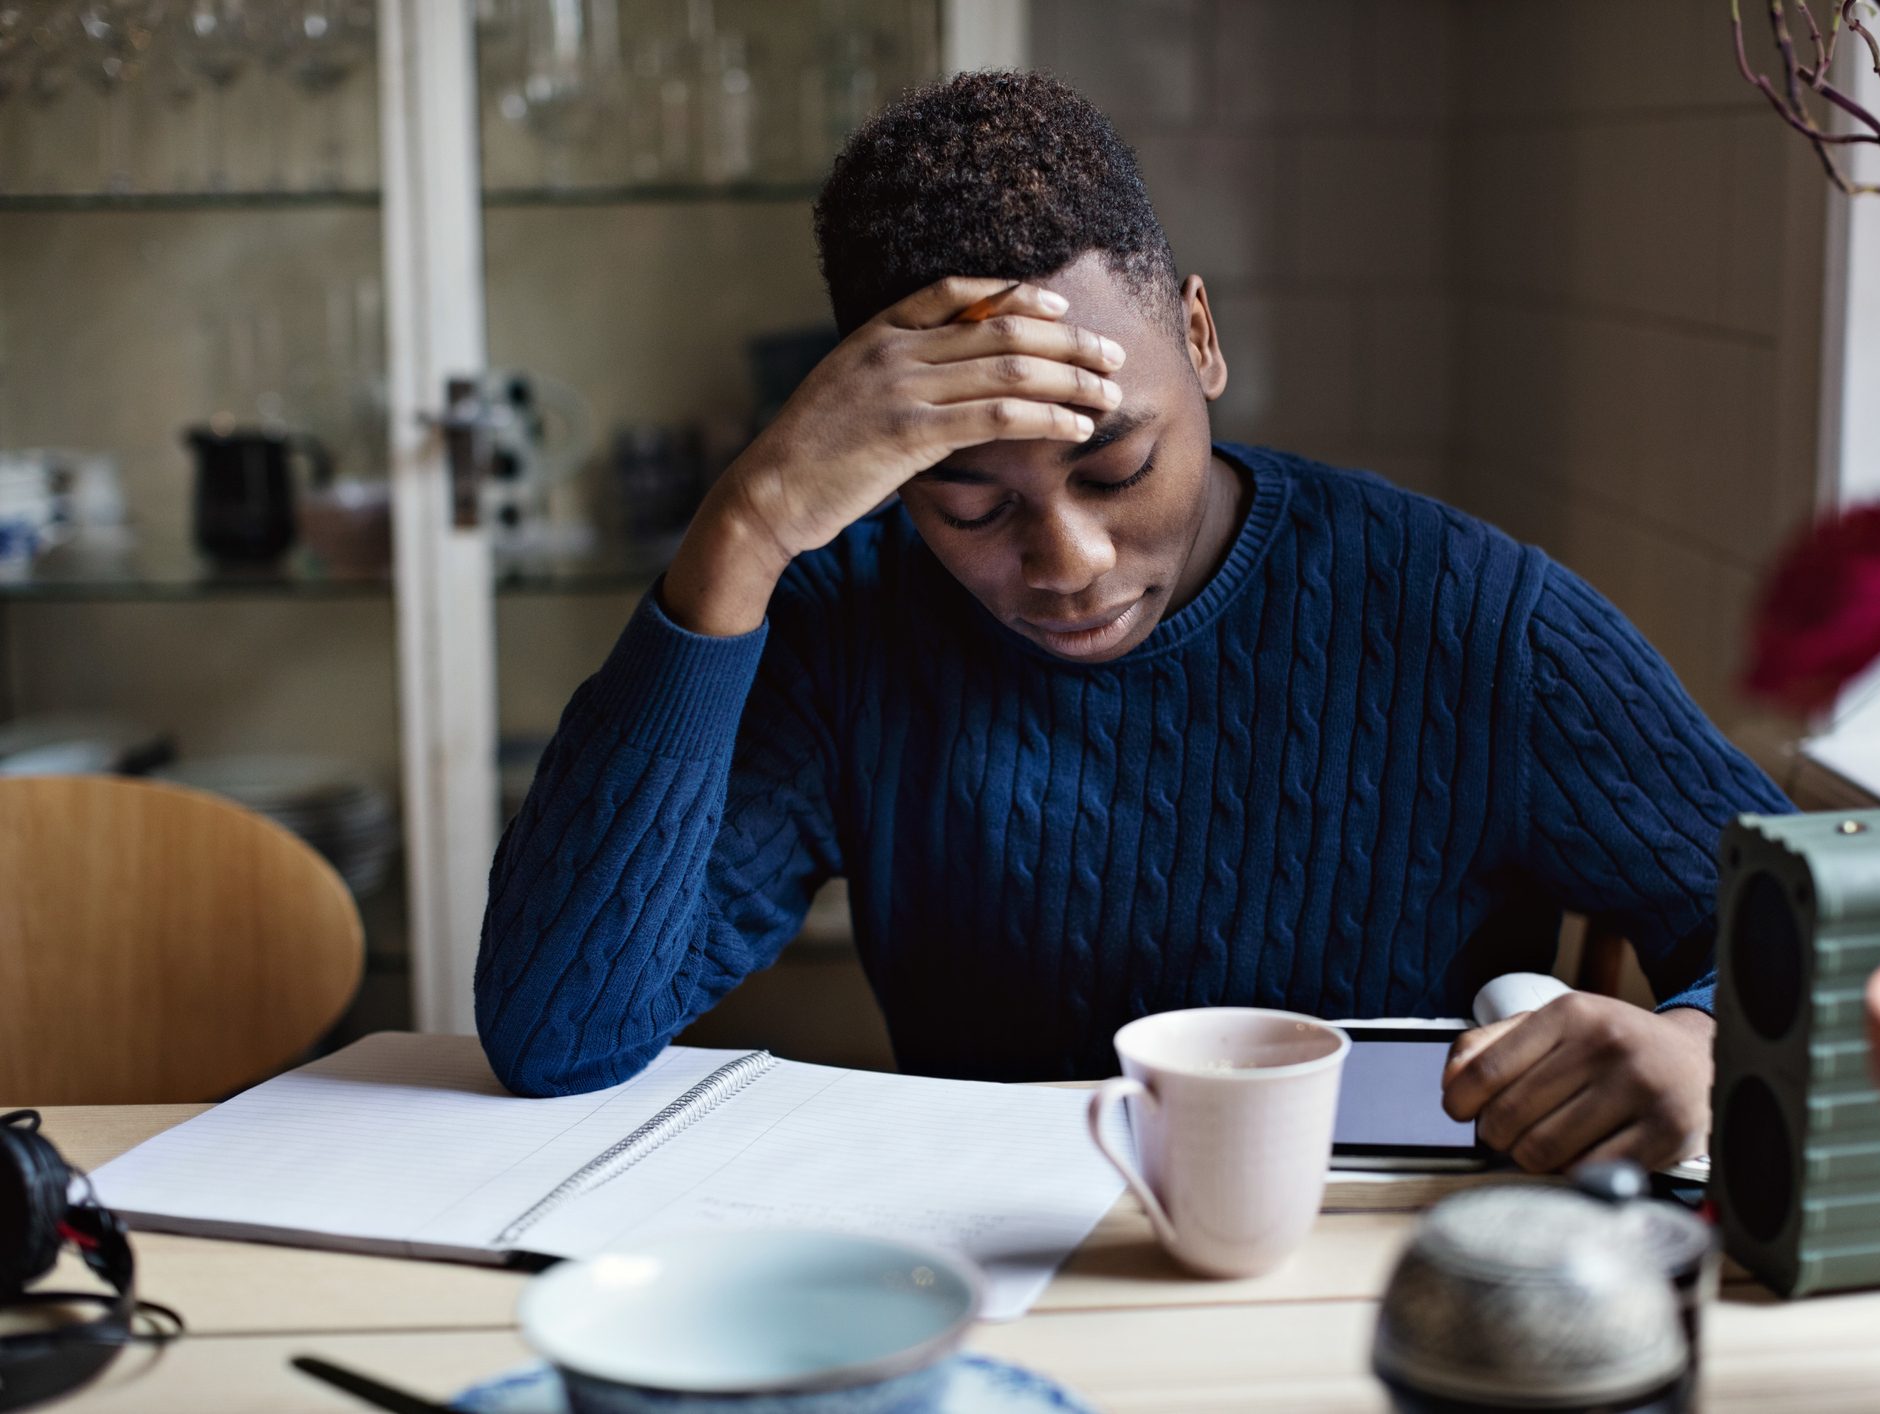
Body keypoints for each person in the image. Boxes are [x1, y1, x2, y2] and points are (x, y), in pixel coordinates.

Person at [474, 71, 1792, 1174]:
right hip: (986, 1267)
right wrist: (747, 523)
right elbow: (561, 1031)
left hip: (1351, 1288)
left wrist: (1697, 1038)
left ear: (1200, 338)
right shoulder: (852, 627)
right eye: (971, 504)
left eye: (1114, 469)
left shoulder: (1462, 612)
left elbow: (1830, 926)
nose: (1069, 560)